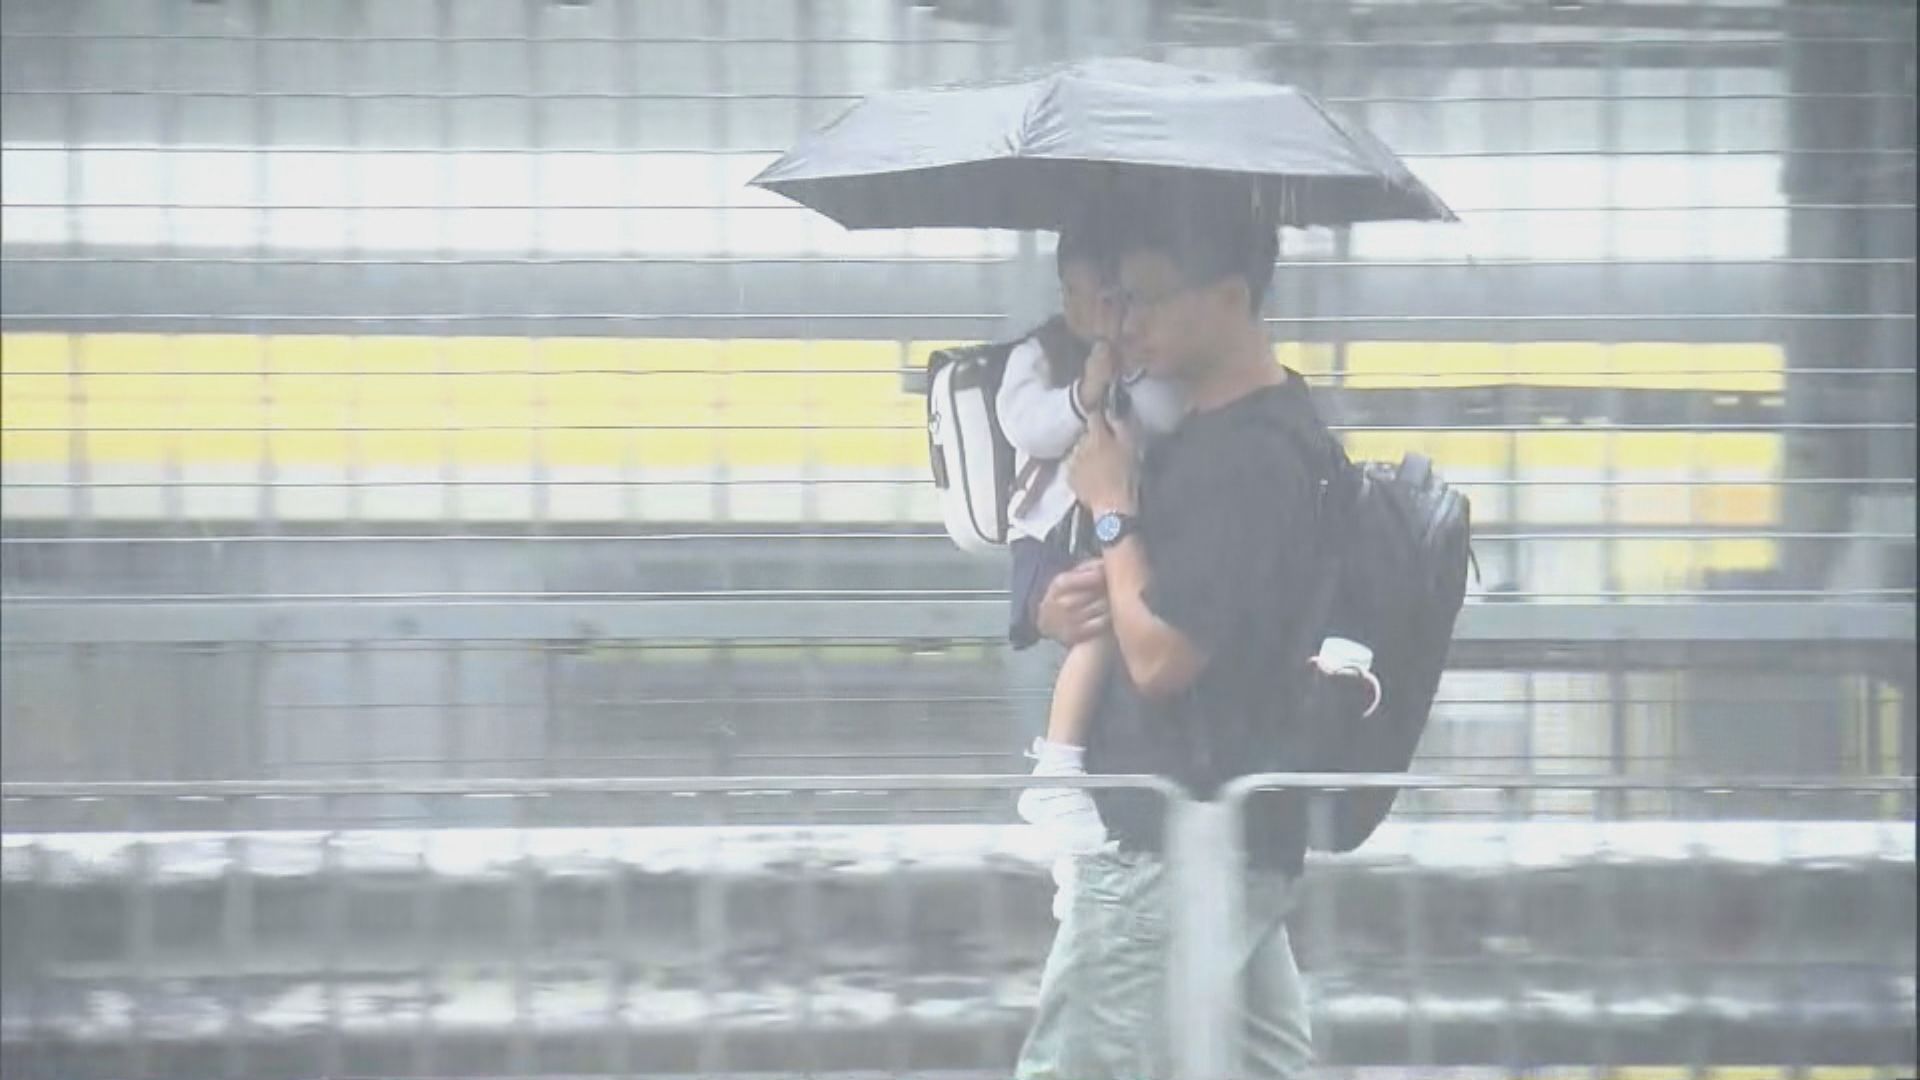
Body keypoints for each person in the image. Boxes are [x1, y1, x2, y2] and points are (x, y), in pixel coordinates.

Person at [1014, 189, 1322, 1079]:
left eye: (1149, 297)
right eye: (1118, 297)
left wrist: (1111, 509)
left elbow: (1159, 656)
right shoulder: (1223, 434)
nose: (1127, 321)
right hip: (1227, 833)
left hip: (1167, 842)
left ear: (1229, 297)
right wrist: (1057, 598)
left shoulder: (1248, 460)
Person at [998, 216, 1186, 866]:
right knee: (1101, 624)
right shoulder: (1039, 356)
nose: (1095, 311)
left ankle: (1073, 774)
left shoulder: (1146, 359)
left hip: (1112, 528)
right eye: (1080, 295)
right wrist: (1086, 392)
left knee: (1122, 619)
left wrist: (1127, 372)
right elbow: (1028, 427)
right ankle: (1057, 769)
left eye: (1112, 298)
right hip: (1050, 535)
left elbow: (1168, 417)